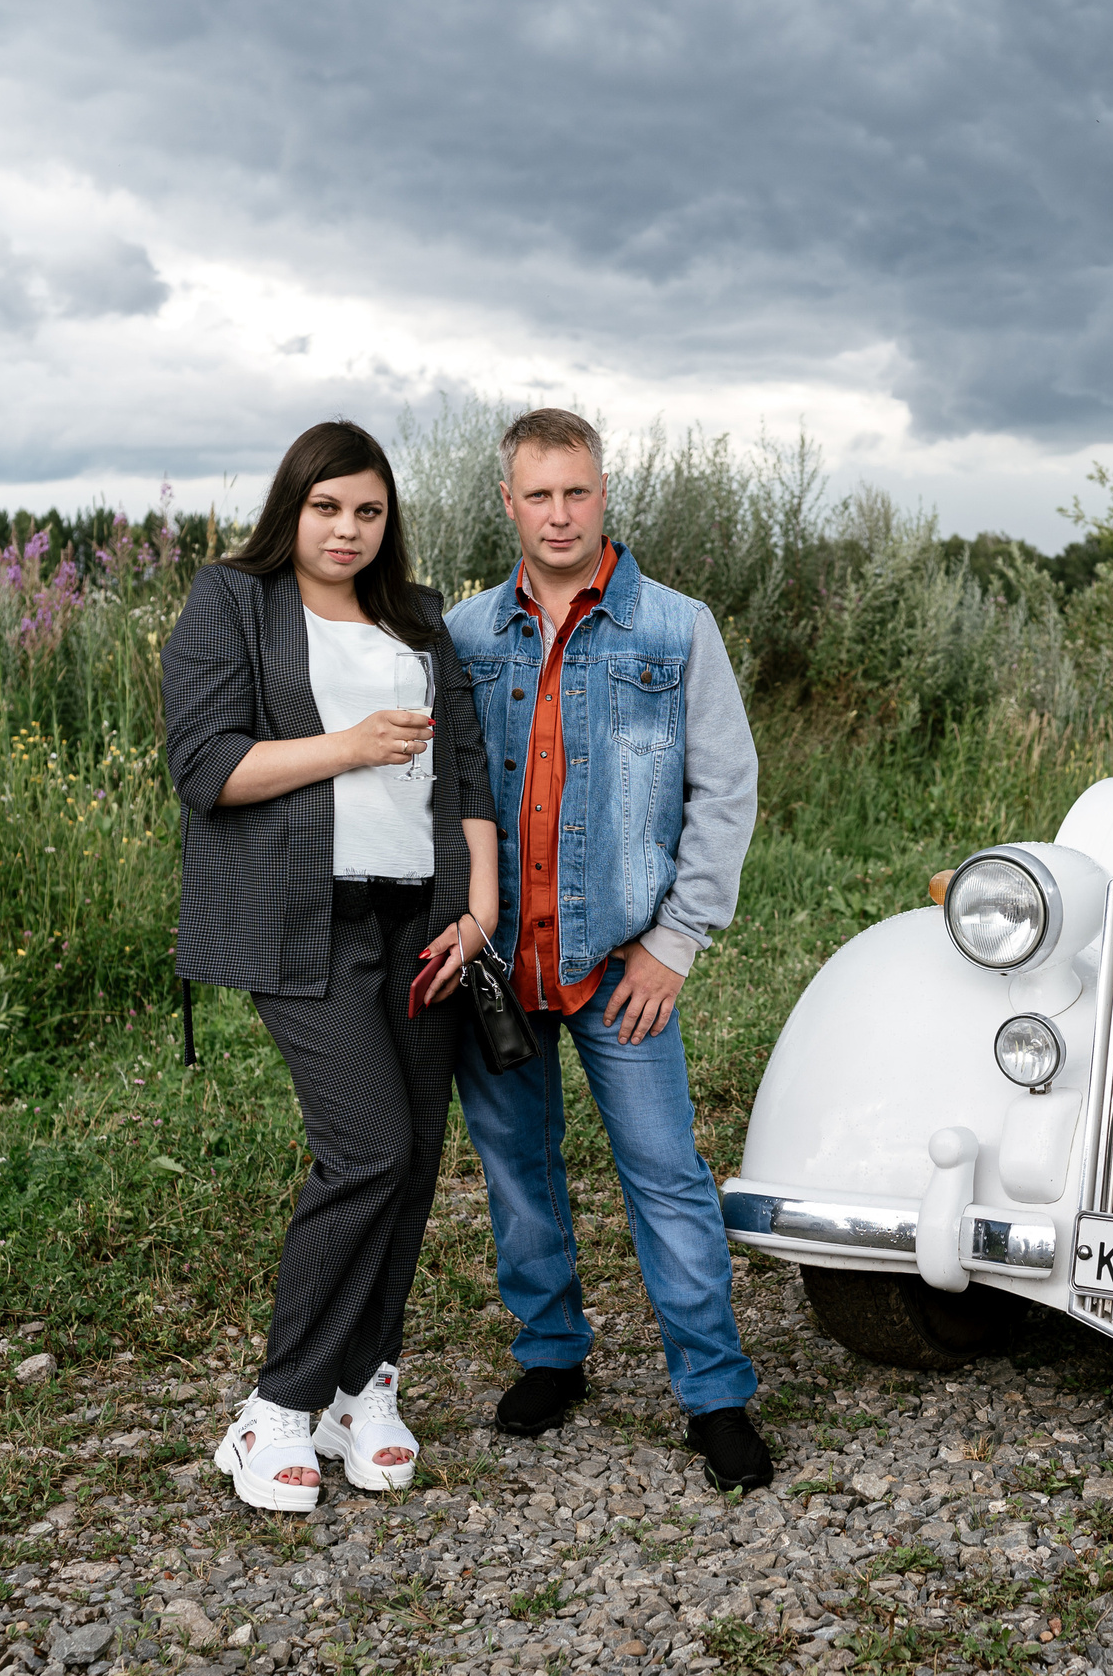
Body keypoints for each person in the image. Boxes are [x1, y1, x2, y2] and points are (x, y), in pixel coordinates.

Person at [163, 420, 501, 1513]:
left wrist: (478, 906)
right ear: (291, 508)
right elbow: (206, 767)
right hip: (302, 920)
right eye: (326, 508)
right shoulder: (232, 601)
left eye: (367, 510)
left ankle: (369, 1385)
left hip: (425, 922)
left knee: (410, 1167)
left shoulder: (416, 618)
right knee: (366, 1150)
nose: (347, 530)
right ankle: (273, 1412)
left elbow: (467, 772)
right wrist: (350, 745)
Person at [444, 407, 772, 1491]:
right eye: (537, 494)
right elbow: (439, 796)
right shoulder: (464, 635)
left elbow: (725, 792)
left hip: (618, 963)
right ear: (508, 502)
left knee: (667, 1176)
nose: (558, 513)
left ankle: (715, 1394)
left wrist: (676, 942)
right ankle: (551, 1358)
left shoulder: (676, 629)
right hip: (499, 962)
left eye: (575, 491)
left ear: (602, 492)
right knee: (518, 1173)